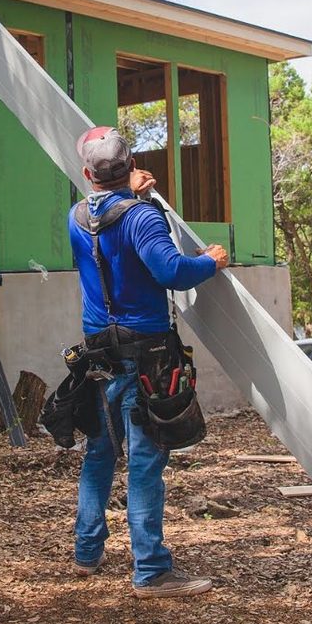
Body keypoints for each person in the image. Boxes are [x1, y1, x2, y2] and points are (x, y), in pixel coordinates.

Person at [68, 126, 229, 598]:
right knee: (143, 460)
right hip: (147, 358)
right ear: (131, 165)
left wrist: (130, 196)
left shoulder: (76, 215)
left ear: (86, 173)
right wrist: (210, 261)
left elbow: (106, 219)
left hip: (98, 355)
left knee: (99, 454)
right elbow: (171, 271)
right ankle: (152, 571)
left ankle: (86, 553)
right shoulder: (141, 218)